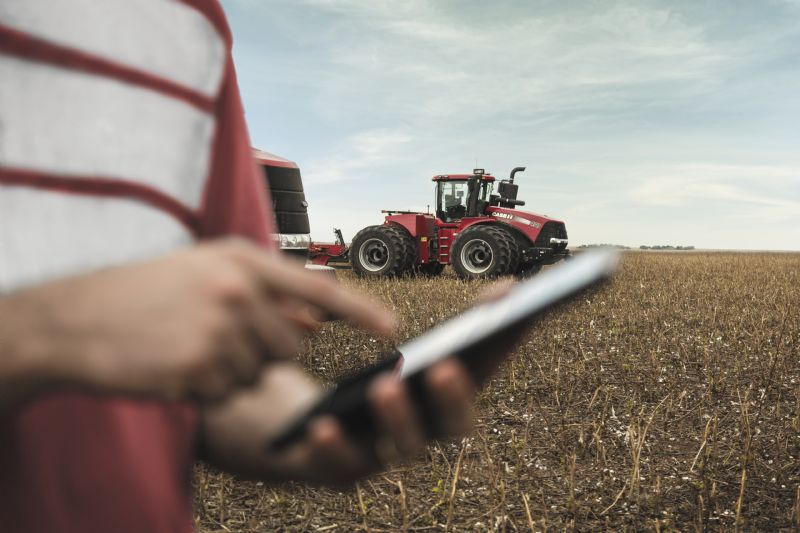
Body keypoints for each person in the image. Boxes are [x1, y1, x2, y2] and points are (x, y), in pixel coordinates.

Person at [0, 3, 519, 532]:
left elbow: (218, 383)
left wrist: (316, 433)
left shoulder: (191, 21)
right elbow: (114, 327)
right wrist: (46, 331)